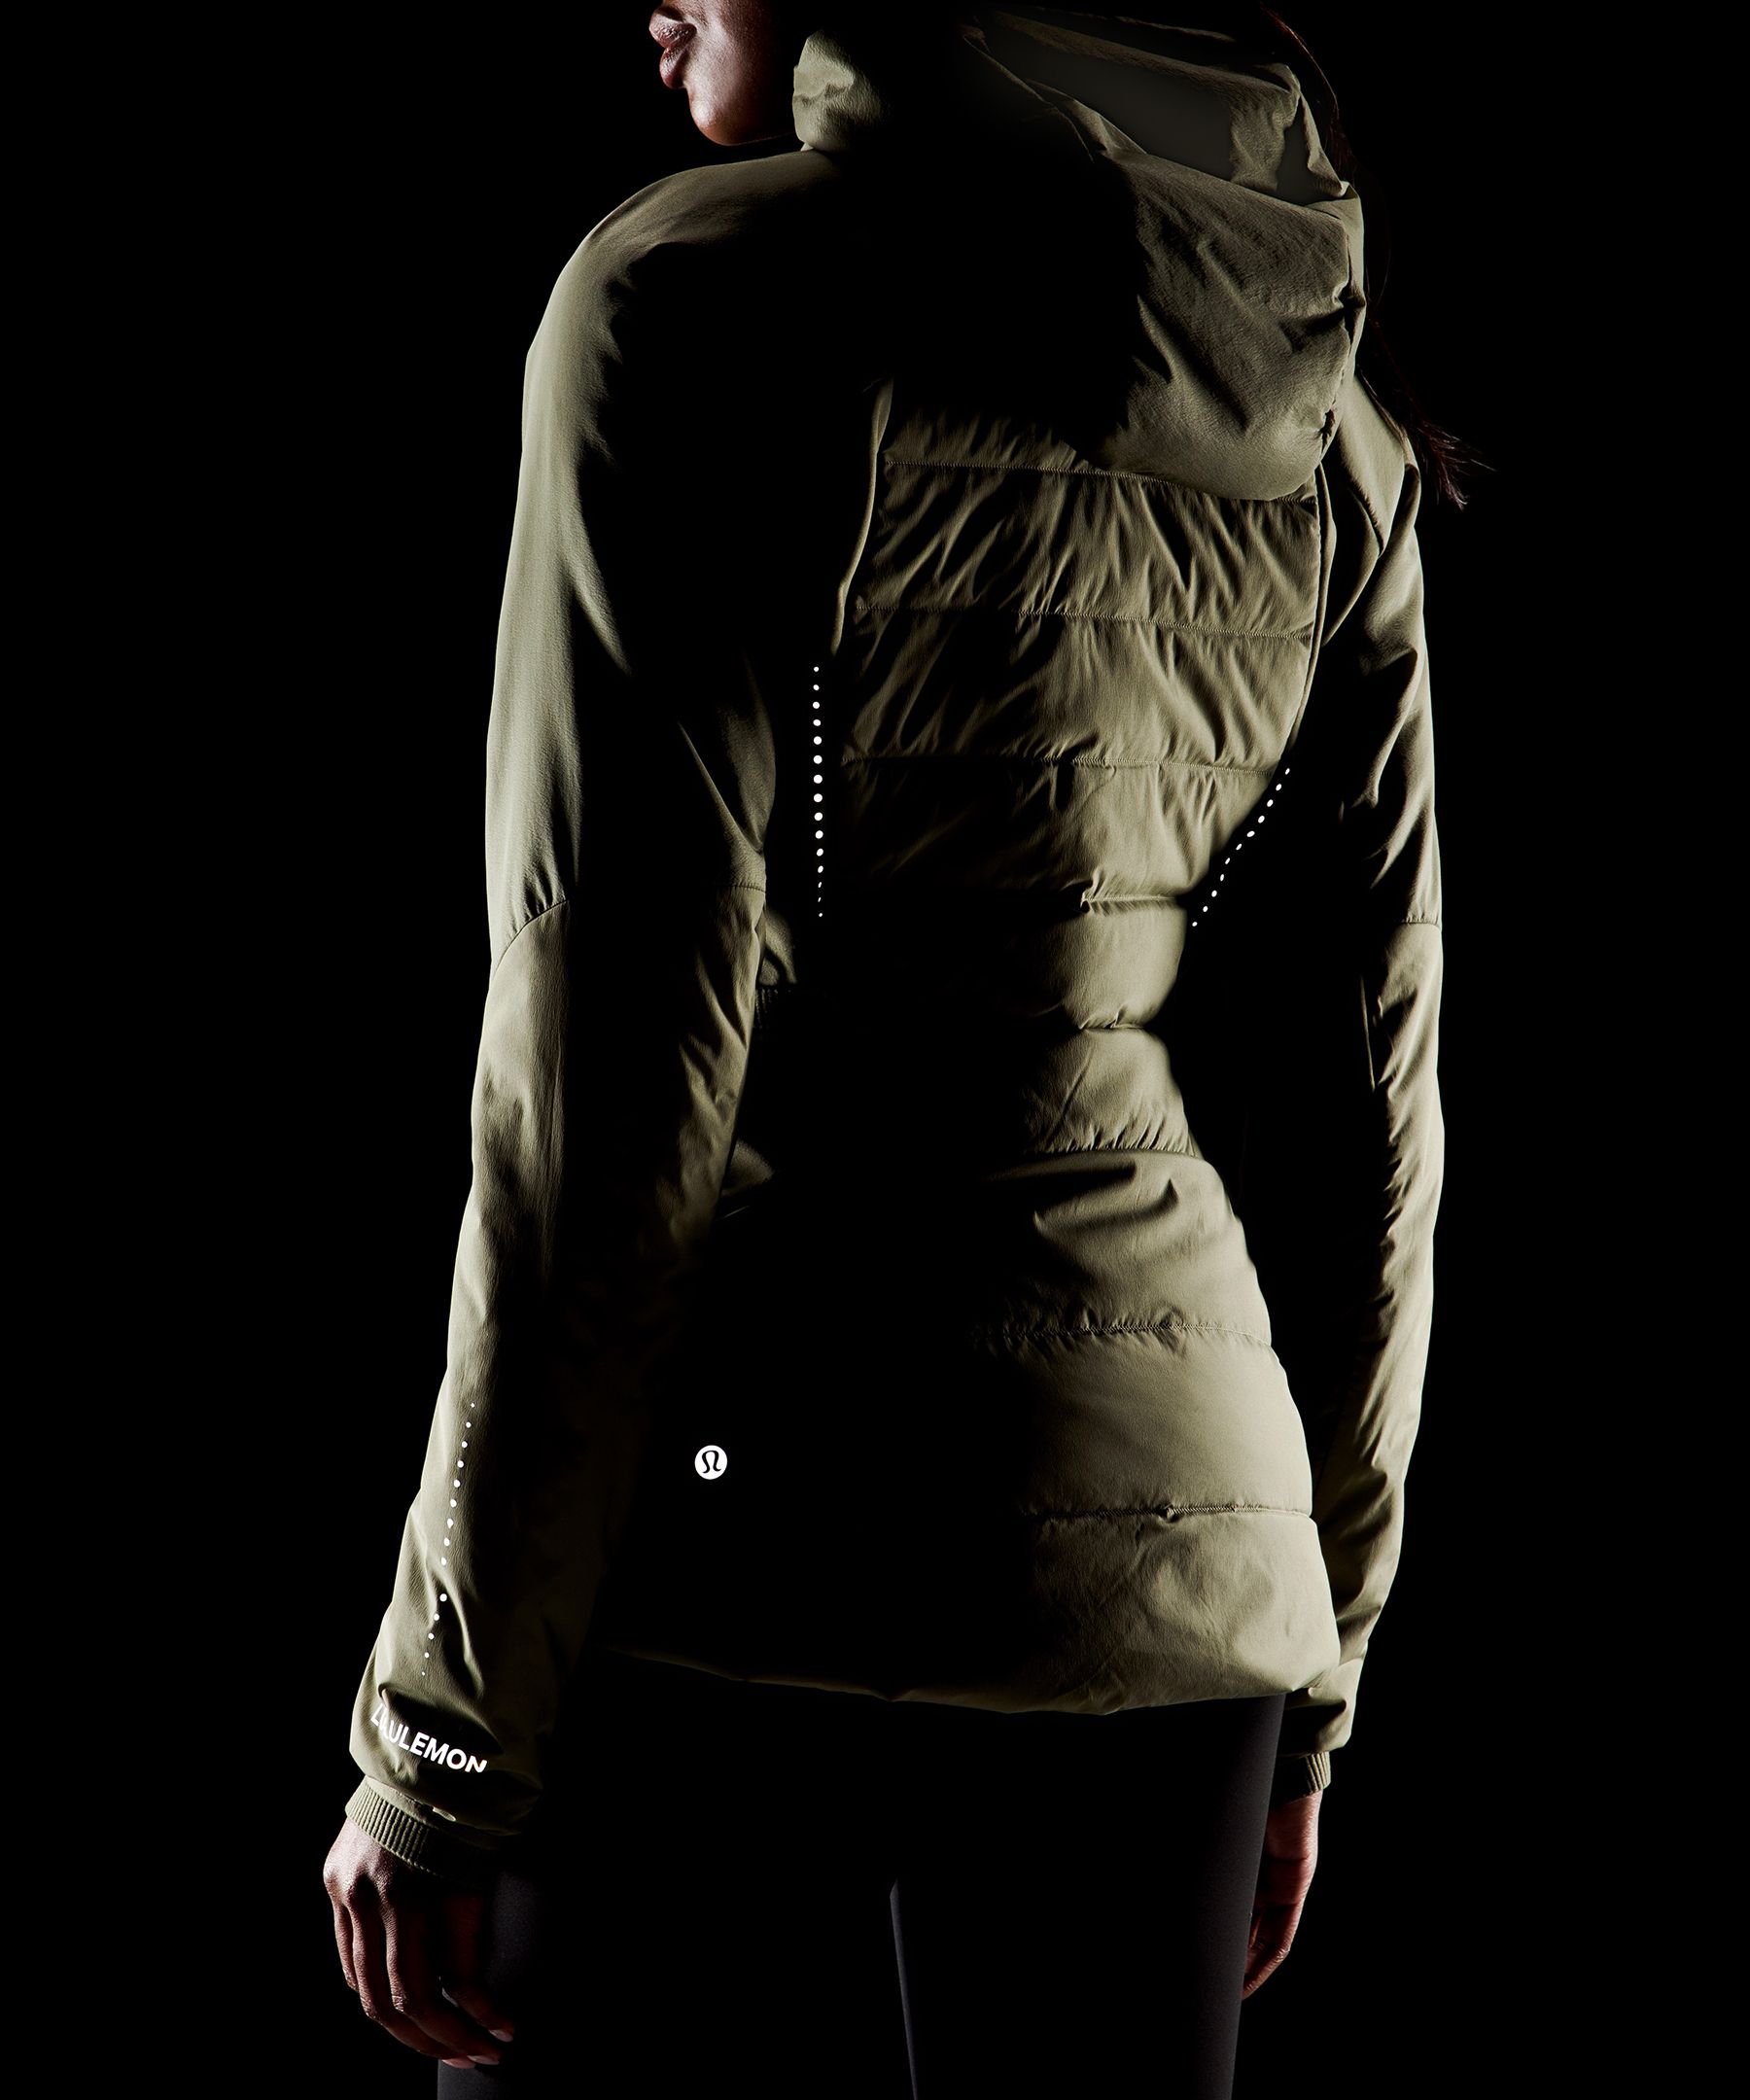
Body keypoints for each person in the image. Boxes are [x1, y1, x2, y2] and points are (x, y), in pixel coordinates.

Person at [324, 5, 1470, 2093]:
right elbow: (1368, 1124)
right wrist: (1312, 1679)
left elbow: (604, 1093)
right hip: (1188, 1591)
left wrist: (446, 1737)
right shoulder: (1333, 420)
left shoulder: (689, 298)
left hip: (732, 1554)